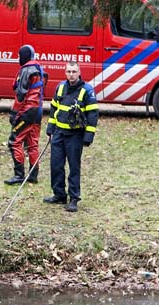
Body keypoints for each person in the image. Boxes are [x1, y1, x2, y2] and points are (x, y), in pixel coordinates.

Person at [44, 61, 99, 212]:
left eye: (74, 71)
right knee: (56, 165)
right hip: (59, 134)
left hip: (75, 135)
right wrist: (50, 128)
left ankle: (74, 198)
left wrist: (88, 135)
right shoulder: (60, 87)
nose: (71, 75)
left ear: (79, 72)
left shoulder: (87, 91)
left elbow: (93, 114)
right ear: (65, 72)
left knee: (74, 167)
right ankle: (59, 194)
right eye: (68, 71)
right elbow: (54, 108)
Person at [4, 45, 46, 185]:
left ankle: (19, 174)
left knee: (15, 141)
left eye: (19, 55)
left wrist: (14, 113)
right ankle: (33, 175)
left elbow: (21, 95)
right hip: (38, 110)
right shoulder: (39, 69)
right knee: (32, 143)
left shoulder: (26, 70)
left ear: (24, 56)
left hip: (27, 112)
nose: (18, 58)